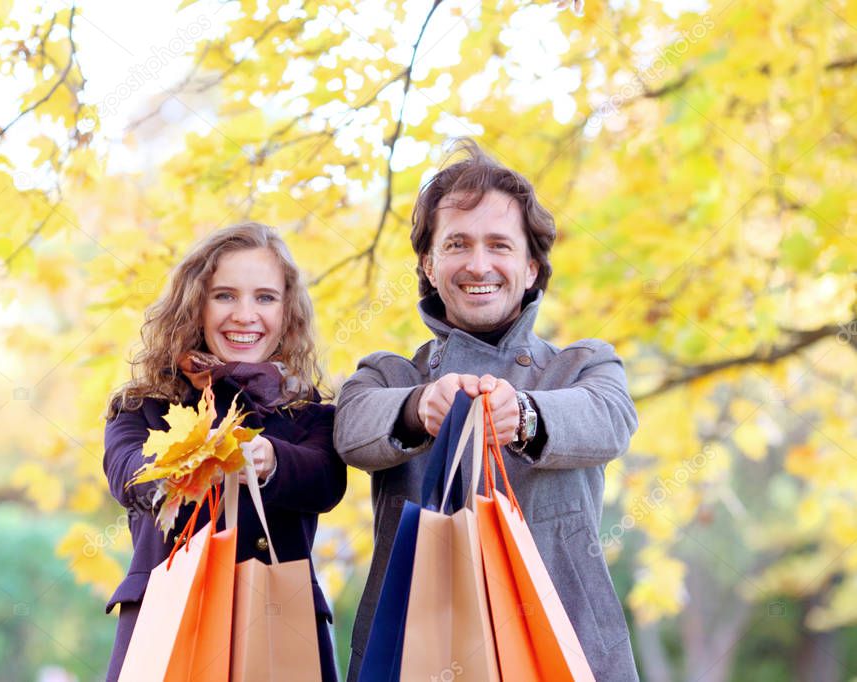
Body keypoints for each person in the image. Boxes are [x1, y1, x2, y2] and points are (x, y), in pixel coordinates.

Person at [334, 139, 640, 681]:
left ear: (531, 267)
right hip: (417, 656)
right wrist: (417, 409)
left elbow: (611, 419)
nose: (479, 264)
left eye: (500, 245)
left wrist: (523, 415)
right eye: (457, 244)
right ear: (429, 265)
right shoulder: (387, 375)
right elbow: (349, 429)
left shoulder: (582, 366)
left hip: (565, 651)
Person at [102, 222, 346, 682]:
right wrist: (197, 457)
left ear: (287, 313)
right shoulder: (142, 406)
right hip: (170, 625)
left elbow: (325, 480)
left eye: (265, 298)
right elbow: (128, 474)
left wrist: (270, 458)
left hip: (278, 629)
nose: (245, 314)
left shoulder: (310, 413)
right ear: (195, 306)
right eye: (225, 295)